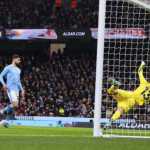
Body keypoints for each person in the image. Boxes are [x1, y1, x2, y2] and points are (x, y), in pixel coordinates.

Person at [0, 54, 25, 126]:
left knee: (15, 106)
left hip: (17, 89)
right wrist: (4, 84)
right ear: (14, 59)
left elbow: (18, 81)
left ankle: (4, 119)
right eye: (18, 60)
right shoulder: (8, 67)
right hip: (10, 88)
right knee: (15, 104)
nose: (19, 61)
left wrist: (22, 89)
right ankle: (2, 112)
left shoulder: (18, 70)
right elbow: (0, 76)